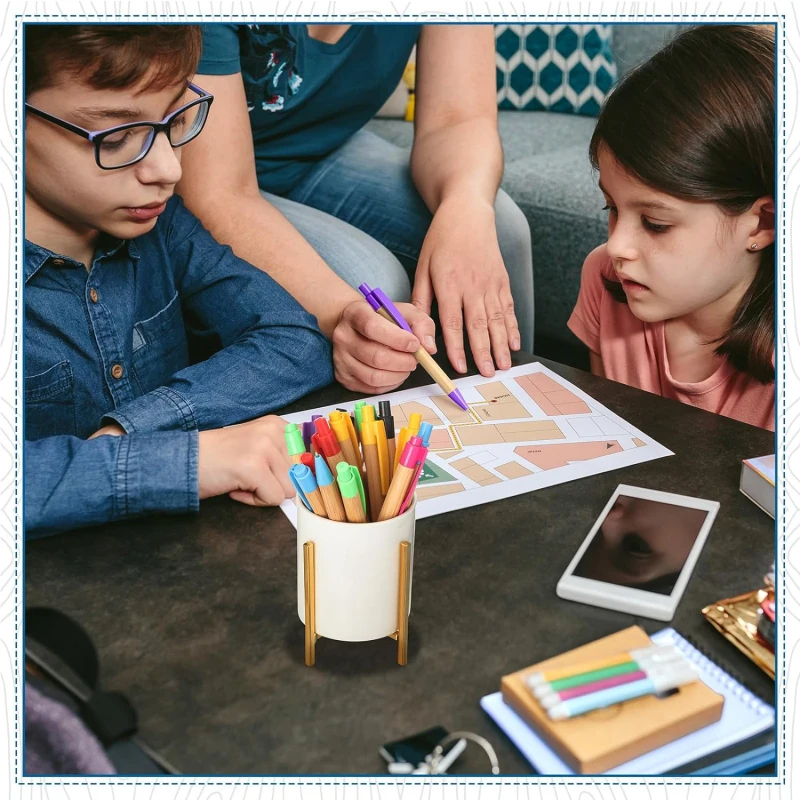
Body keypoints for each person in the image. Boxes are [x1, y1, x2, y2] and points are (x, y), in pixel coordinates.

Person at [24, 25, 333, 538]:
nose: (167, 169)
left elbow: (293, 338)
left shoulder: (163, 225)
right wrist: (180, 461)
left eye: (175, 119)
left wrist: (134, 429)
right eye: (117, 137)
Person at [178, 24, 534, 397]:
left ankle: (509, 411)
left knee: (501, 229)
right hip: (217, 175)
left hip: (326, 149)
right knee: (376, 286)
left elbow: (457, 119)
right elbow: (219, 193)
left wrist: (465, 206)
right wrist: (342, 310)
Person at [568, 25, 775, 431]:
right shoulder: (604, 280)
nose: (616, 246)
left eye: (655, 224)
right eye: (610, 207)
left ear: (762, 224)